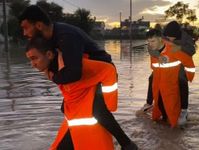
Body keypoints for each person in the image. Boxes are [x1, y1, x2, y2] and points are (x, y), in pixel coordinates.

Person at [19, 5, 137, 150]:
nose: (24, 33)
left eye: (25, 28)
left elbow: (74, 73)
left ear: (39, 25)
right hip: (83, 76)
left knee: (98, 110)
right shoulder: (49, 38)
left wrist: (52, 76)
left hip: (99, 74)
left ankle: (127, 144)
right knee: (67, 109)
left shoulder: (66, 36)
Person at [140, 21, 196, 126]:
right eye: (168, 37)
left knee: (182, 80)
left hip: (180, 61)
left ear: (177, 35)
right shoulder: (161, 37)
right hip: (165, 61)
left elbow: (191, 51)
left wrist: (175, 48)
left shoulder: (185, 38)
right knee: (152, 78)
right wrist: (159, 55)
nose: (169, 39)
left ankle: (184, 110)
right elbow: (151, 47)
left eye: (172, 38)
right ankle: (149, 103)